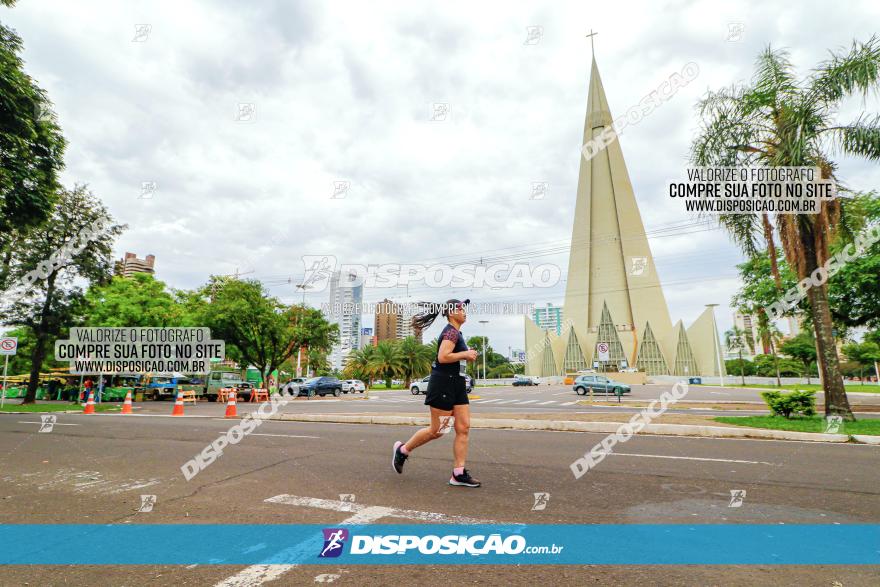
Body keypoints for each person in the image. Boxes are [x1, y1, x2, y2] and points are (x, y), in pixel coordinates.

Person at [392, 299, 481, 487]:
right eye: (460, 308)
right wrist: (465, 354)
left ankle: (458, 473)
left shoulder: (457, 333)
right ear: (450, 313)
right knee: (437, 431)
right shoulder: (450, 332)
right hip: (443, 385)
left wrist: (466, 355)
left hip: (456, 385)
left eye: (463, 308)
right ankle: (403, 450)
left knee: (463, 427)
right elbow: (443, 356)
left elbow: (452, 358)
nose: (464, 311)